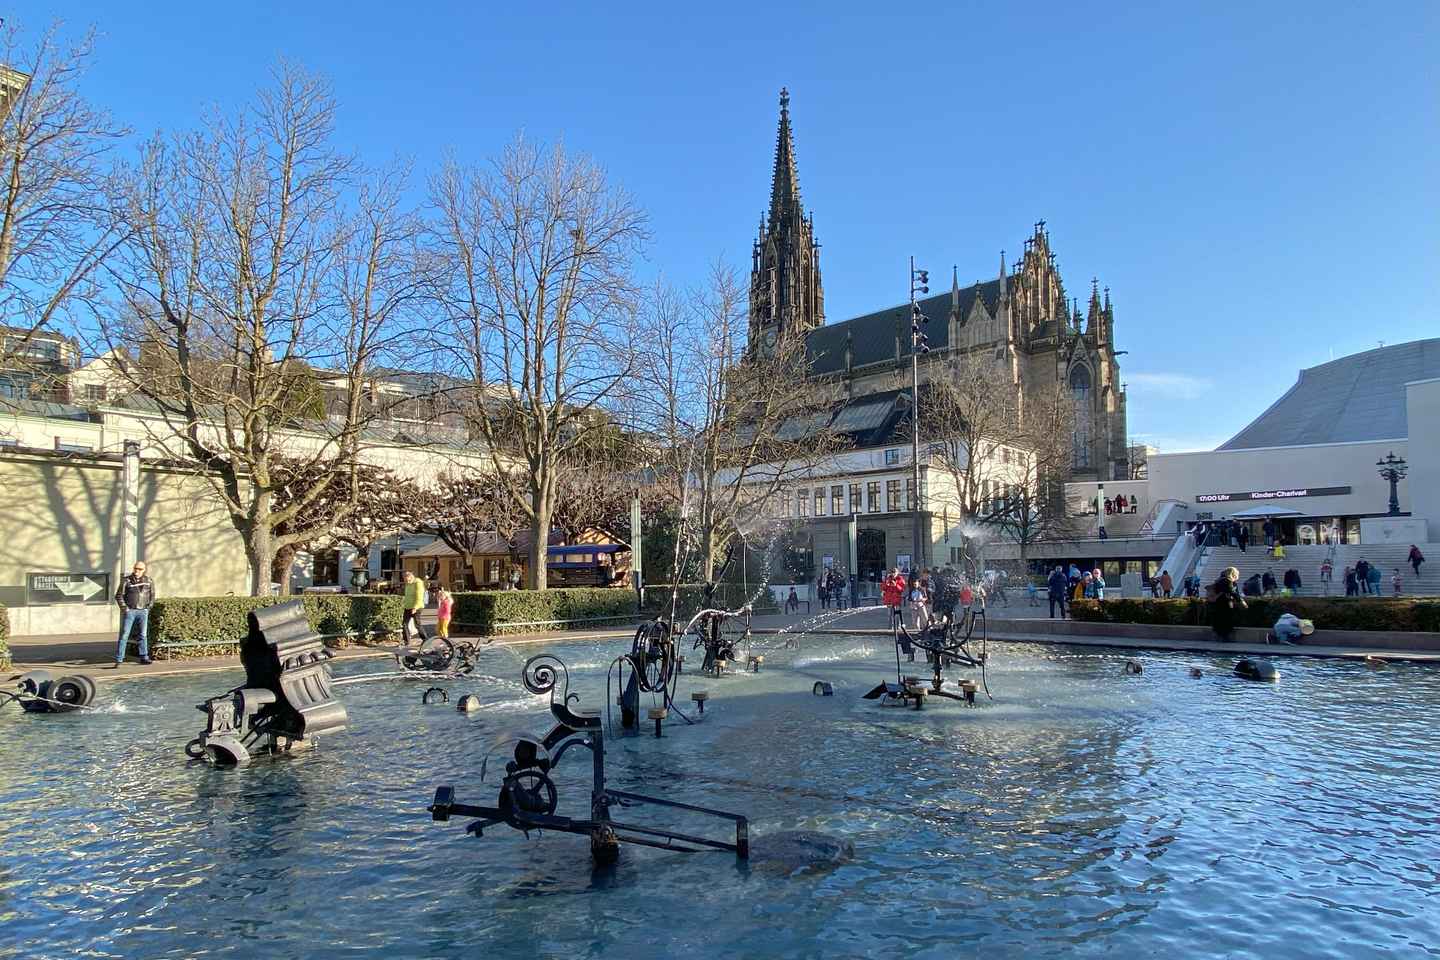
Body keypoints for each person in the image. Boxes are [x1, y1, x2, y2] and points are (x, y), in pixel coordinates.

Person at [113, 561, 155, 667]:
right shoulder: (127, 580)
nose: (137, 571)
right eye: (135, 568)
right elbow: (119, 595)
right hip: (130, 611)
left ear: (144, 570)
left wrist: (148, 607)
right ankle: (119, 659)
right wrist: (125, 609)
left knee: (143, 635)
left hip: (143, 611)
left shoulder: (149, 581)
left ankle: (144, 657)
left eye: (140, 569)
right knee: (124, 635)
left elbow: (152, 595)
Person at [1208, 566, 1247, 641]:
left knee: (1220, 619)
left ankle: (1220, 635)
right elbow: (1232, 592)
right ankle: (1225, 636)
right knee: (1227, 619)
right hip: (1225, 603)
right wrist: (1241, 601)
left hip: (1218, 603)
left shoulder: (1219, 580)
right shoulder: (1228, 581)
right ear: (1233, 574)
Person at [402, 571, 427, 643]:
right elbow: (407, 596)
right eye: (405, 580)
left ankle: (425, 640)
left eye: (407, 580)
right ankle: (406, 641)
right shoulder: (407, 584)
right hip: (408, 607)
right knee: (404, 624)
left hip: (417, 607)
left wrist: (415, 607)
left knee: (417, 624)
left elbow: (419, 596)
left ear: (411, 577)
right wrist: (404, 604)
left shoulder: (418, 583)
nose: (406, 581)